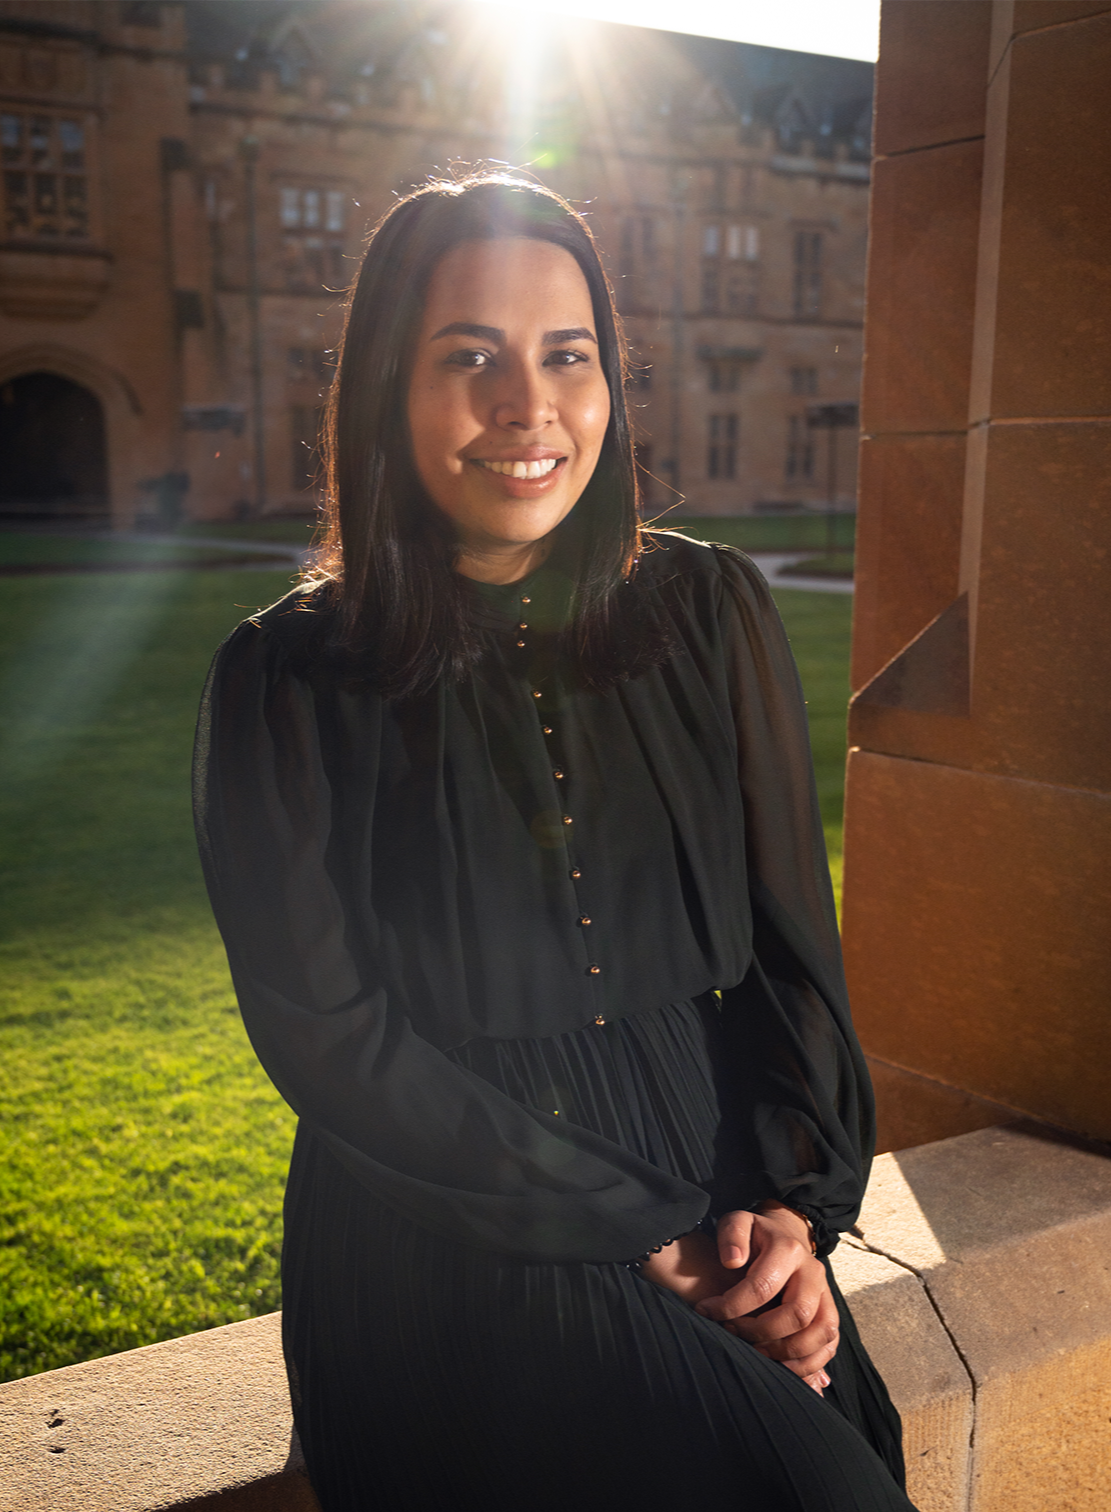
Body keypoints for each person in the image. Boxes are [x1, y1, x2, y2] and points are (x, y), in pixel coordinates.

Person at [194, 174, 918, 1512]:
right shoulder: (284, 679)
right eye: (468, 356)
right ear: (383, 394)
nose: (528, 405)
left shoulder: (709, 609)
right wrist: (630, 1227)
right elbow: (328, 1037)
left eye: (565, 354)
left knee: (851, 1462)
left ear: (608, 382)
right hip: (441, 1210)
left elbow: (788, 954)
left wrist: (788, 1218)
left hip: (713, 1167)